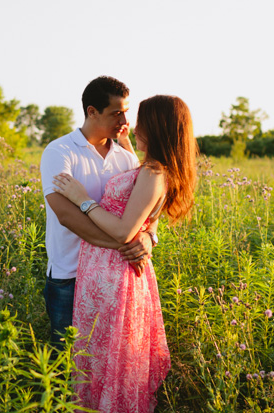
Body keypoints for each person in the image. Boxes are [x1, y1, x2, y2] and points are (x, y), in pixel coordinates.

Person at [52, 94, 198, 413]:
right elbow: (140, 213)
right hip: (103, 270)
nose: (131, 125)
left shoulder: (154, 172)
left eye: (139, 120)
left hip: (113, 273)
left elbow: (122, 231)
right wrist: (149, 234)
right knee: (98, 352)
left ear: (156, 127)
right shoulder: (147, 166)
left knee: (106, 353)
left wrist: (82, 198)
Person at [40, 76, 156, 349]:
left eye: (126, 112)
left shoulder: (126, 158)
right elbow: (66, 215)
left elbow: (144, 211)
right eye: (116, 112)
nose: (124, 120)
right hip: (70, 275)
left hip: (113, 276)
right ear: (92, 111)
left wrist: (149, 237)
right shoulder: (60, 151)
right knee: (66, 363)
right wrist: (121, 243)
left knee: (106, 358)